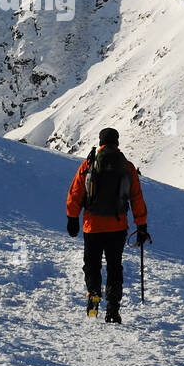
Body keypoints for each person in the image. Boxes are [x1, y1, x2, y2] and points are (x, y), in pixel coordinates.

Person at [65, 127, 150, 324]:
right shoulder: (127, 167)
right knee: (114, 267)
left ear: (100, 141)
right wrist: (142, 225)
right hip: (117, 227)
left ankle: (94, 295)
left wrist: (72, 218)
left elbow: (76, 192)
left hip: (92, 226)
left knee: (92, 264)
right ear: (117, 142)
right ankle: (113, 309)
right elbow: (137, 198)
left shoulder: (89, 164)